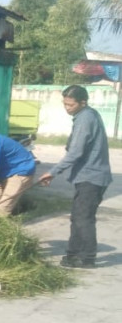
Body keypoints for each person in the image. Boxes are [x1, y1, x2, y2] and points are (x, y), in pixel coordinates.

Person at [38, 85, 113, 268]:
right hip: (87, 176)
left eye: (70, 105)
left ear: (83, 102)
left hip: (92, 177)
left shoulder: (85, 118)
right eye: (64, 104)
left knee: (83, 218)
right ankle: (72, 255)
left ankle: (87, 258)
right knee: (78, 217)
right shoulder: (85, 115)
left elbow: (75, 152)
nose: (67, 108)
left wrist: (53, 172)